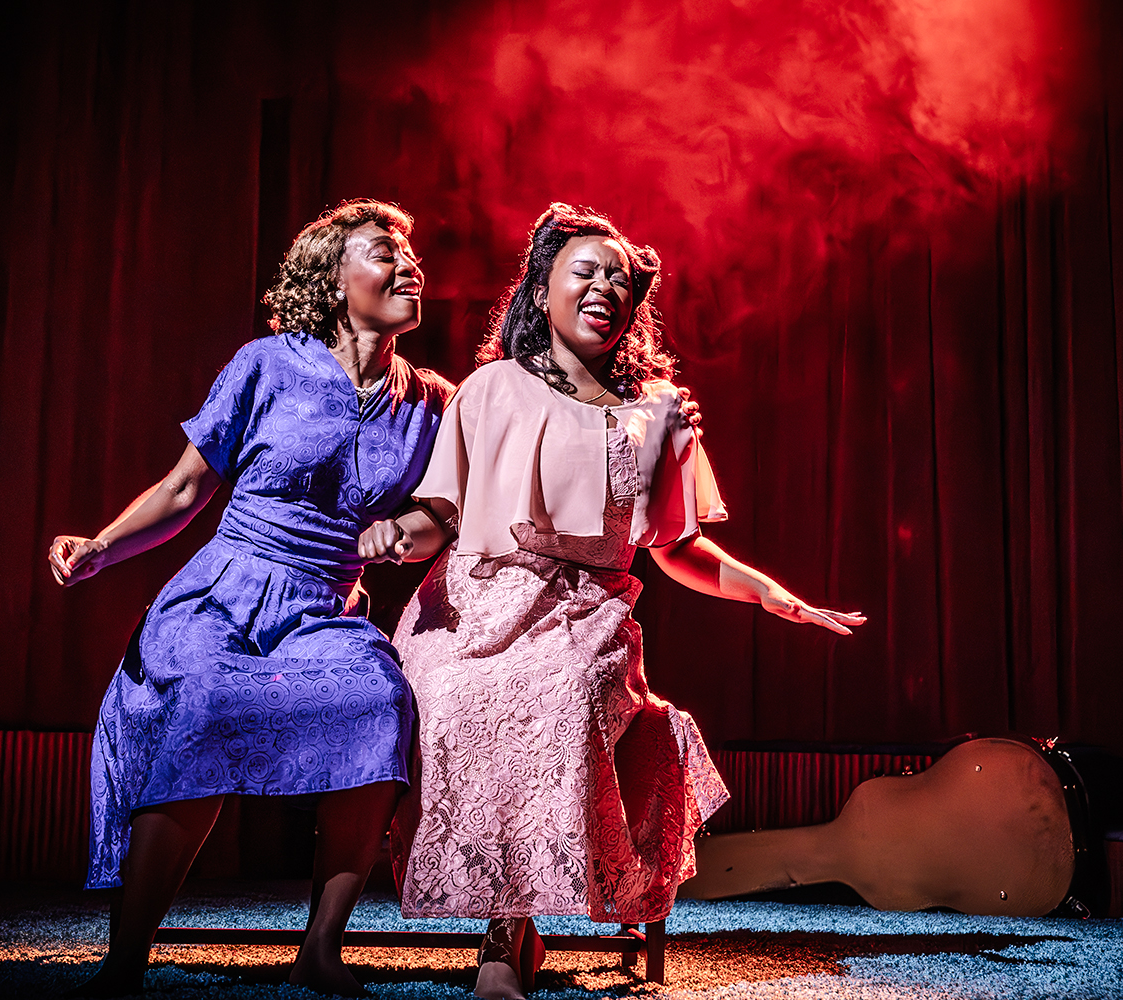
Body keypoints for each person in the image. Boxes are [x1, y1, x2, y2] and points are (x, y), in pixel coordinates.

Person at [358, 203, 866, 999]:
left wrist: (775, 598)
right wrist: (396, 534)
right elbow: (442, 515)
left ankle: (504, 938)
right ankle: (513, 929)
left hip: (581, 611)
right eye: (585, 271)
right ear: (541, 289)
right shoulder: (490, 388)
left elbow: (677, 547)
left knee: (560, 694)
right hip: (471, 601)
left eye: (621, 279)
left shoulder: (659, 410)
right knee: (451, 692)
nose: (604, 287)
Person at [47, 199, 453, 998]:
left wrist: (411, 525)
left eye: (411, 257)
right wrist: (100, 545)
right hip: (224, 593)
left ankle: (320, 950)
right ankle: (127, 955)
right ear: (335, 280)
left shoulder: (434, 401)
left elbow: (446, 511)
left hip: (324, 607)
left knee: (379, 700)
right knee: (199, 700)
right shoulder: (267, 364)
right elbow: (185, 487)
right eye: (385, 254)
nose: (410, 268)